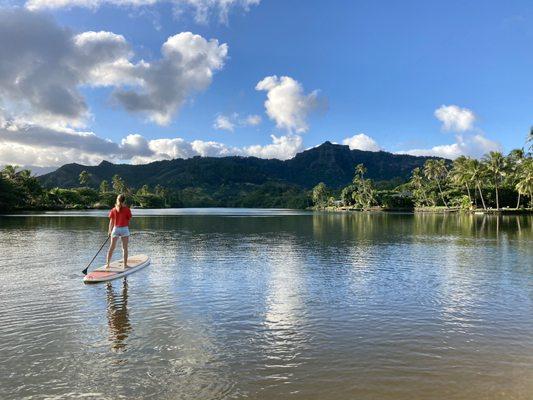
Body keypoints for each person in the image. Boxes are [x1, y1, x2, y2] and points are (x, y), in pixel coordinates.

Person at [106, 194, 132, 269]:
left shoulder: (114, 209)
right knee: (125, 248)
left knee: (111, 247)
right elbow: (129, 218)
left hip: (115, 229)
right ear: (124, 201)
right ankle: (125, 265)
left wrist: (109, 231)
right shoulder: (127, 209)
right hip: (124, 229)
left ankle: (108, 264)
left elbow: (111, 221)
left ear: (117, 200)